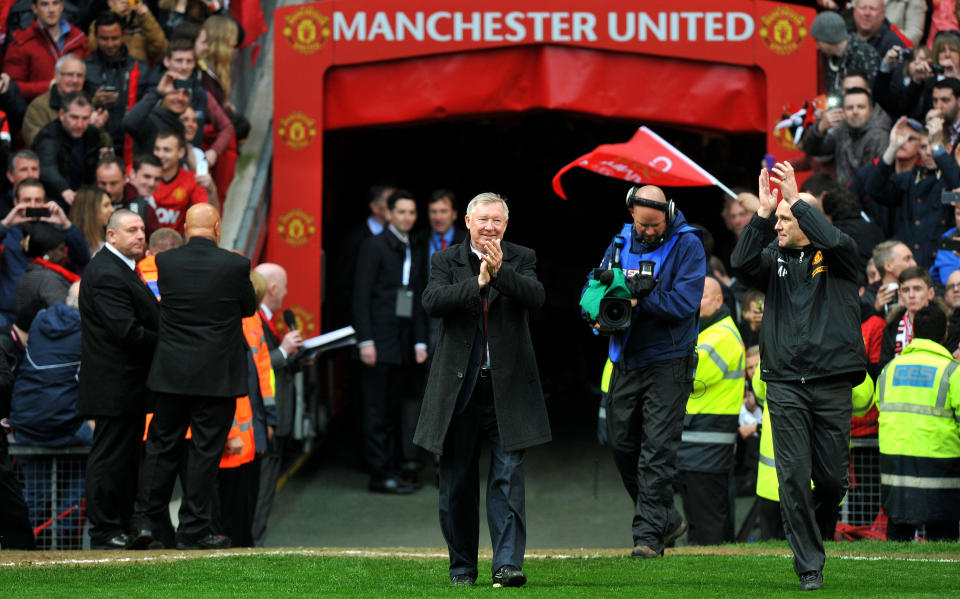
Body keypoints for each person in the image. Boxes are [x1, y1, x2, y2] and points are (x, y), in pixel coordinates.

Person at [731, 162, 866, 591]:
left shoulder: (843, 255)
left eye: (788, 219)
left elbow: (830, 237)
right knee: (792, 474)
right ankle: (809, 566)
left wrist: (797, 201)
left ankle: (817, 527)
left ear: (811, 222)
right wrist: (764, 213)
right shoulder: (773, 259)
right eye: (781, 219)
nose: (780, 226)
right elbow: (739, 262)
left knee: (830, 479)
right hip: (786, 382)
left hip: (831, 381)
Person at [414, 192, 549, 587]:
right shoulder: (446, 260)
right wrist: (477, 282)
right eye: (483, 219)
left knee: (509, 479)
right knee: (456, 482)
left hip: (507, 389)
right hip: (459, 392)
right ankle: (462, 569)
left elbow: (536, 297)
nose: (490, 226)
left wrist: (500, 271)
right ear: (468, 222)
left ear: (506, 226)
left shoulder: (522, 257)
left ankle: (507, 565)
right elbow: (432, 301)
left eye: (497, 221)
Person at [586, 185, 705, 559]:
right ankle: (666, 517)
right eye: (642, 225)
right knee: (622, 445)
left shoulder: (688, 245)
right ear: (631, 215)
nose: (648, 232)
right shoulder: (621, 240)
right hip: (626, 357)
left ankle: (648, 538)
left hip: (669, 360)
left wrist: (641, 298)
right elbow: (595, 286)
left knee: (656, 450)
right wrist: (596, 311)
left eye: (654, 226)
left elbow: (685, 303)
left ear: (669, 213)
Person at [129, 203, 256, 550]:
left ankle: (145, 521)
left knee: (160, 446)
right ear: (217, 228)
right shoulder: (235, 265)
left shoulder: (166, 263)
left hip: (171, 374)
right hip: (216, 377)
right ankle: (194, 529)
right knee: (204, 453)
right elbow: (248, 308)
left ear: (184, 226)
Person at [78, 208, 160, 550]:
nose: (140, 235)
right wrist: (168, 341)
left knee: (124, 458)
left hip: (126, 385)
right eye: (131, 230)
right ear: (111, 236)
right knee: (110, 456)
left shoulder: (122, 269)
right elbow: (125, 331)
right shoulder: (108, 273)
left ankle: (121, 525)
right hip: (114, 385)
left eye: (142, 229)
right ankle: (104, 529)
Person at [354, 189, 428, 493]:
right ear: (389, 214)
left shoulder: (414, 246)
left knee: (395, 408)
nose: (407, 217)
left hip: (402, 342)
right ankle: (379, 473)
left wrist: (420, 341)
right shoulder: (374, 246)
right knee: (376, 410)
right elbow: (361, 295)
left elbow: (418, 297)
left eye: (411, 212)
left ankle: (394, 467)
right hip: (379, 341)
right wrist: (366, 340)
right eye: (401, 212)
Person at [876, 304, 960, 541]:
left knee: (896, 549)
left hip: (896, 471)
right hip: (942, 473)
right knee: (942, 551)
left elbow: (880, 408)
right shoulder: (953, 372)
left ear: (912, 332)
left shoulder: (888, 370)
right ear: (945, 334)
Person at [676, 276, 744, 546]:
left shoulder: (723, 335)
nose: (696, 301)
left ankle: (713, 571)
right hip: (697, 443)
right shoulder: (705, 331)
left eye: (703, 296)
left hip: (708, 445)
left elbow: (687, 375)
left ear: (719, 301)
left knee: (708, 522)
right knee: (698, 516)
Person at [251, 262, 301, 547]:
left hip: (276, 416)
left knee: (266, 488)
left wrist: (295, 358)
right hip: (267, 417)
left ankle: (256, 538)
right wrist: (283, 351)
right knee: (262, 487)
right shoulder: (255, 320)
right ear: (271, 288)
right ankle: (254, 542)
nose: (286, 292)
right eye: (283, 285)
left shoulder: (270, 319)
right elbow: (258, 365)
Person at [866, 115, 957, 268]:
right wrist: (893, 148)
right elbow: (874, 189)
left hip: (942, 264)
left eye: (933, 145)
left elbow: (957, 185)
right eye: (923, 147)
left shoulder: (951, 177)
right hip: (911, 265)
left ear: (948, 148)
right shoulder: (912, 177)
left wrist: (938, 151)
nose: (928, 152)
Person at [0, 178, 90, 326]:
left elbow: (83, 258)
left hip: (48, 314)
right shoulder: (6, 232)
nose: (33, 205)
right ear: (16, 202)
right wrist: (5, 224)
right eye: (27, 200)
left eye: (38, 200)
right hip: (8, 315)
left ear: (45, 202)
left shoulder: (56, 230)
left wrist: (66, 225)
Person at [84, 10, 149, 158]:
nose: (110, 44)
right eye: (104, 39)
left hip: (133, 145)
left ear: (124, 35)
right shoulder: (85, 68)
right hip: (96, 145)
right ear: (95, 36)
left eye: (115, 38)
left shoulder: (140, 68)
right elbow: (74, 106)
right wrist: (93, 102)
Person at [32, 91, 113, 210]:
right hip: (52, 199)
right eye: (74, 117)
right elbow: (47, 166)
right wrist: (64, 189)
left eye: (85, 118)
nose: (80, 124)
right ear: (61, 114)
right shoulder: (48, 136)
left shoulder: (92, 133)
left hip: (83, 198)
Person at [800, 86, 890, 186]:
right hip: (843, 197)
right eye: (849, 108)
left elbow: (874, 181)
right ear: (843, 112)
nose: (855, 112)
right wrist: (820, 128)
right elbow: (810, 149)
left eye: (861, 107)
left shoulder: (879, 137)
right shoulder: (842, 129)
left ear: (871, 110)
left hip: (861, 198)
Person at [4, 0, 89, 102]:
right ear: (35, 9)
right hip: (38, 110)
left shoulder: (80, 39)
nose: (51, 10)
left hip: (77, 109)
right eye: (44, 4)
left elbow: (91, 78)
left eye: (55, 3)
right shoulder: (22, 43)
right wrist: (48, 86)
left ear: (62, 7)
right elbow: (12, 88)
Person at [21, 53, 94, 147]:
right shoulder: (38, 107)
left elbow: (103, 142)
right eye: (69, 74)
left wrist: (93, 128)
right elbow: (35, 142)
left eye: (79, 75)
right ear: (56, 76)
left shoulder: (88, 105)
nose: (75, 80)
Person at [809, 10, 880, 97]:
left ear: (829, 38)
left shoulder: (865, 56)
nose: (817, 47)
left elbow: (869, 96)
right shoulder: (831, 57)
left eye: (818, 41)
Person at [151, 128, 208, 234]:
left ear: (181, 152)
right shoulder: (141, 175)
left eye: (166, 150)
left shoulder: (192, 180)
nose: (160, 155)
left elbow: (205, 214)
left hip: (176, 244)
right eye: (157, 149)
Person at [879, 266, 937, 368]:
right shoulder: (891, 327)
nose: (911, 295)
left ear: (930, 293)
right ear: (900, 296)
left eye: (917, 289)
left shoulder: (945, 324)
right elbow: (883, 369)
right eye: (906, 290)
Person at [68, 185, 114, 255]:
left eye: (111, 204)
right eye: (106, 205)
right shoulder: (77, 246)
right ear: (90, 210)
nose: (112, 210)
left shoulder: (110, 238)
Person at [0, 150, 40, 219]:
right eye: (23, 170)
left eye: (34, 169)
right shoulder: (1, 206)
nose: (30, 175)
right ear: (10, 176)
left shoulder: (51, 207)